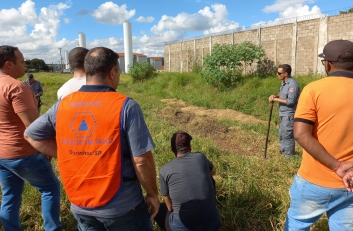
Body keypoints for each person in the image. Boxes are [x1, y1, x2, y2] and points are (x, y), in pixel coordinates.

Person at [25, 46, 159, 231]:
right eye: (118, 71)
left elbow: (31, 135)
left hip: (80, 205)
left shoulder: (63, 104)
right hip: (122, 207)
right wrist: (152, 193)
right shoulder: (126, 106)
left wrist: (69, 152)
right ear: (113, 72)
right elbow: (141, 160)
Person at [284, 40, 353, 230]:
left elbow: (300, 134)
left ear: (327, 64)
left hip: (315, 181)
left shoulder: (314, 90)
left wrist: (337, 165)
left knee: (297, 224)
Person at [0, 45, 61, 231]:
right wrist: (47, 147)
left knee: (10, 195)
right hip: (23, 152)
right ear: (9, 64)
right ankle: (52, 228)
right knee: (50, 188)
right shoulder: (17, 87)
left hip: (3, 154)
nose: (25, 65)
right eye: (22, 61)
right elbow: (35, 128)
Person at [156, 131, 220, 231]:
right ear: (190, 146)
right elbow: (213, 171)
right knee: (210, 179)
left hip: (183, 227)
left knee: (159, 209)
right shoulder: (200, 157)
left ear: (172, 150)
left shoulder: (164, 170)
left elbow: (169, 207)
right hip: (213, 225)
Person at [268, 64, 300, 157]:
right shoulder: (284, 83)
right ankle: (283, 152)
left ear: (286, 73)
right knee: (282, 133)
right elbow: (282, 94)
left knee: (287, 135)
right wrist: (276, 96)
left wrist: (275, 100)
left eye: (279, 73)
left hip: (289, 114)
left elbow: (290, 101)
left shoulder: (292, 84)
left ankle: (289, 156)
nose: (277, 74)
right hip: (283, 113)